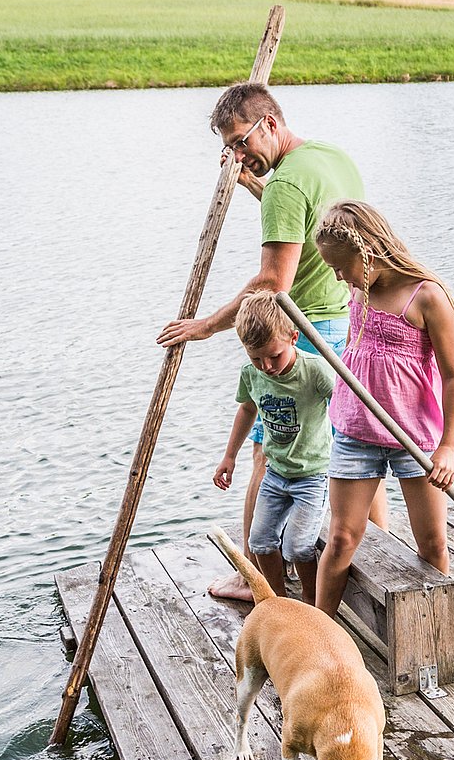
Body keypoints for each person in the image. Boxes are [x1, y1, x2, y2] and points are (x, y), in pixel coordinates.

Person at [157, 81, 375, 600]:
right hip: (348, 321)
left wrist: (205, 326)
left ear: (269, 123)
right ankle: (372, 547)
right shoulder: (329, 158)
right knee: (354, 445)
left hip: (302, 331)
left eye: (241, 141)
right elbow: (303, 220)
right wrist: (251, 183)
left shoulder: (285, 186)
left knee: (268, 454)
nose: (237, 154)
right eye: (228, 148)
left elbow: (274, 283)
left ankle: (253, 574)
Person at [313, 200, 454, 652]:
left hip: (415, 440)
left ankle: (447, 623)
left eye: (340, 268)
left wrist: (448, 447)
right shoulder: (358, 289)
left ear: (366, 253)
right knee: (344, 536)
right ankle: (319, 632)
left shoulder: (426, 296)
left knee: (432, 542)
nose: (337, 278)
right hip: (355, 432)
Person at [213, 292, 334, 601]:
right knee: (260, 542)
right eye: (256, 358)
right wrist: (229, 456)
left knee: (298, 546)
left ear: (294, 337)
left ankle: (311, 601)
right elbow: (247, 410)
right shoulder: (251, 374)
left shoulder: (315, 370)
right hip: (275, 473)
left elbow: (347, 403)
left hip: (312, 474)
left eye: (274, 356)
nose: (266, 366)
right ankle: (276, 601)